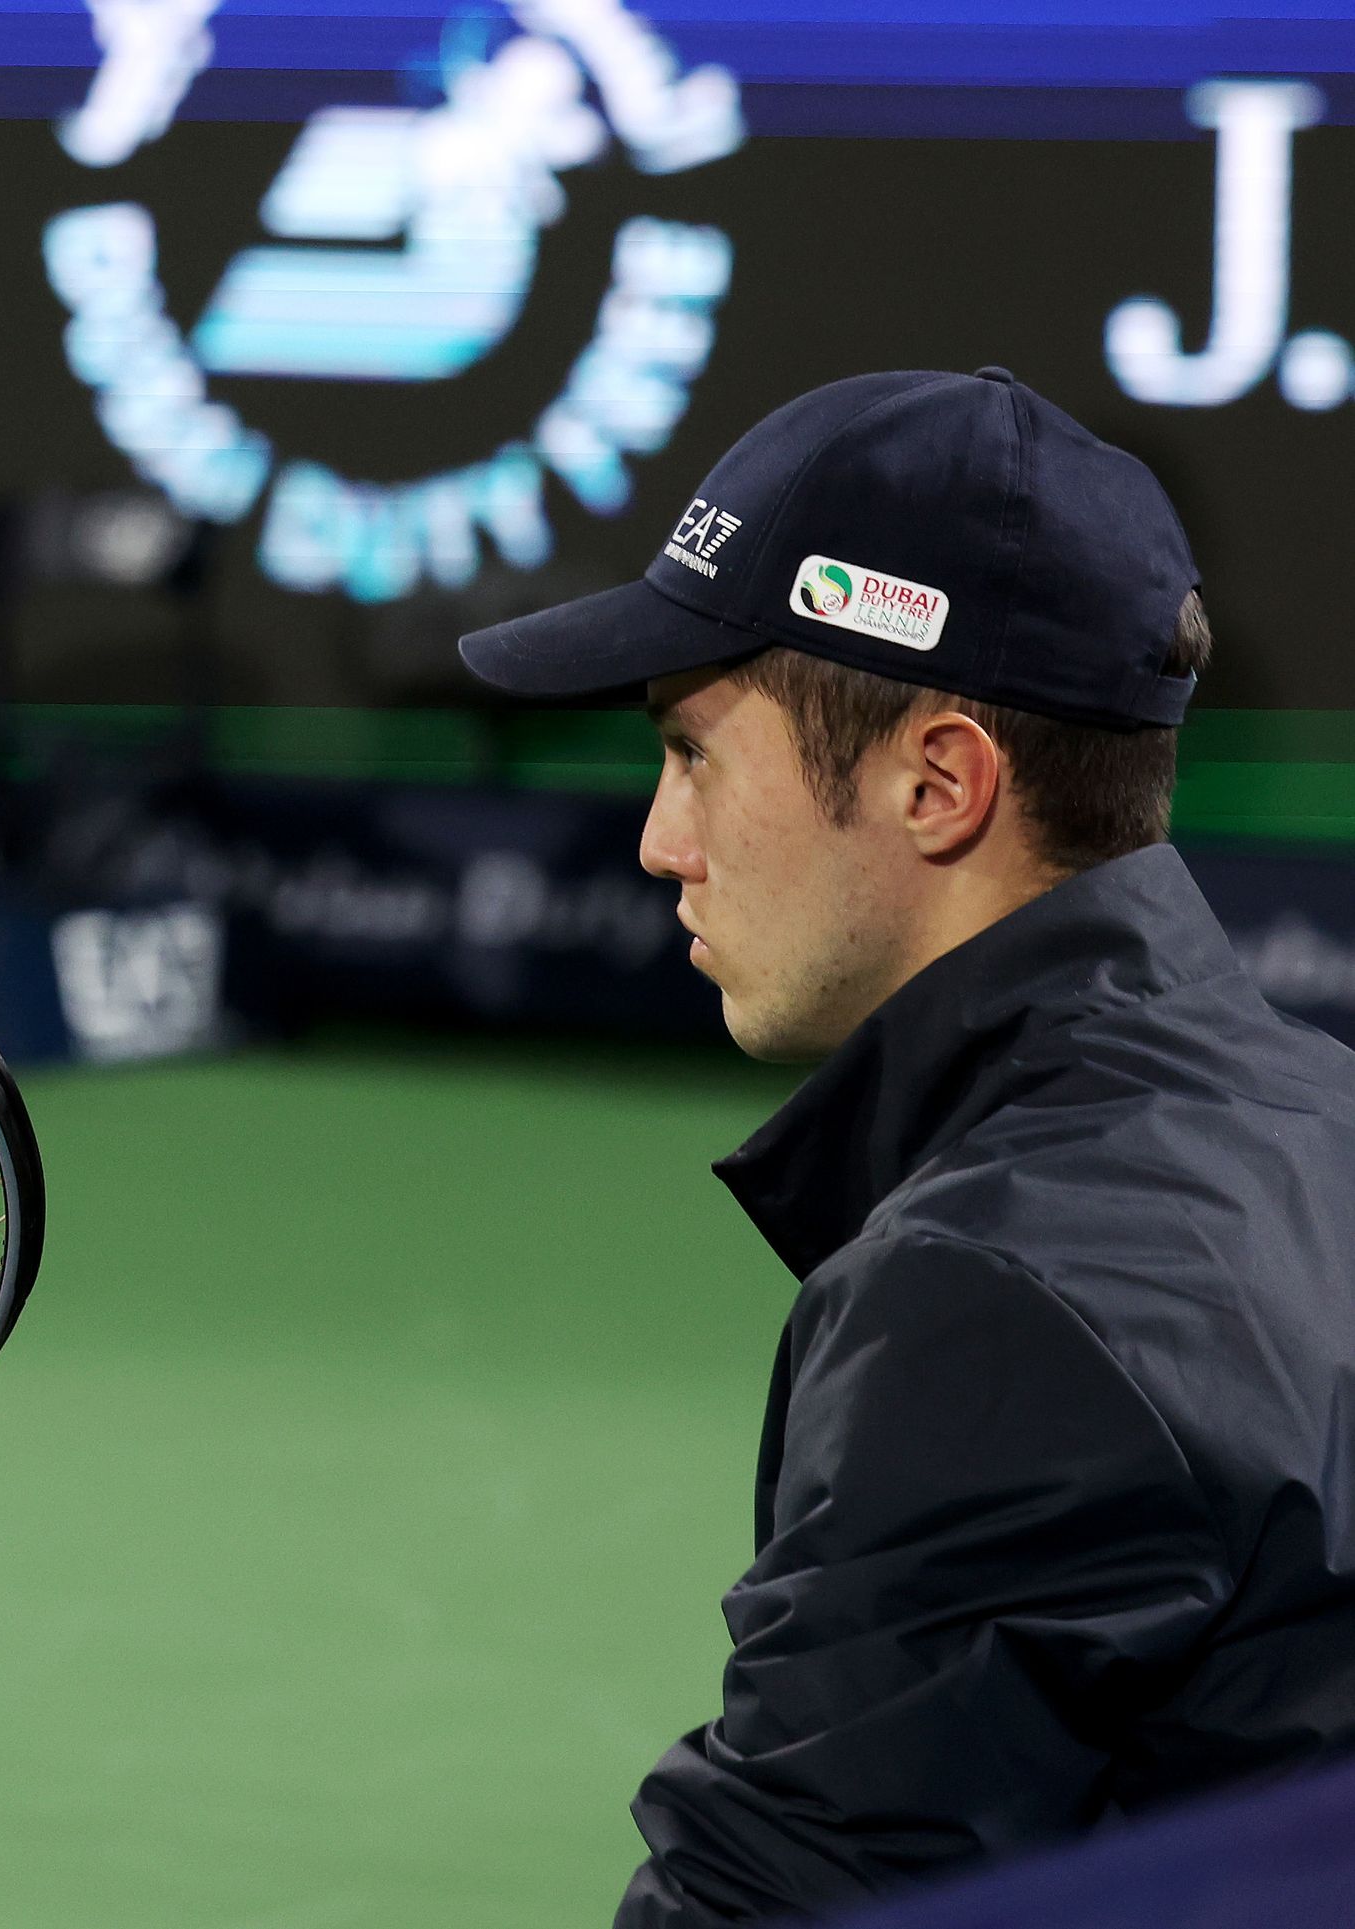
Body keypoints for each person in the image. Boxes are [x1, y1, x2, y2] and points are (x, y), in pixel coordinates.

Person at [458, 367, 1355, 1924]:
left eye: (693, 754)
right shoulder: (1322, 1117)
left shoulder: (999, 1296)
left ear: (936, 782)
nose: (663, 842)